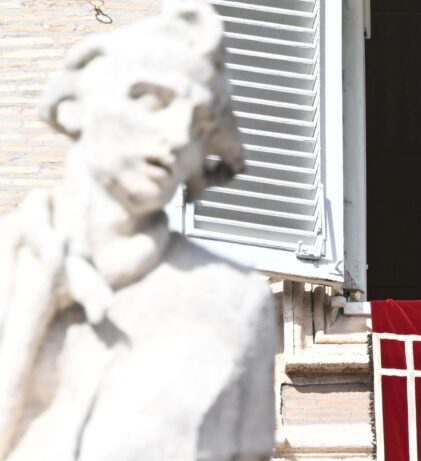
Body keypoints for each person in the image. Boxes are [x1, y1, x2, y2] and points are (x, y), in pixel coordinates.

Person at [0, 4, 275, 460]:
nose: (176, 137)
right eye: (151, 99)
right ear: (74, 106)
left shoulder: (235, 304)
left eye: (199, 125)